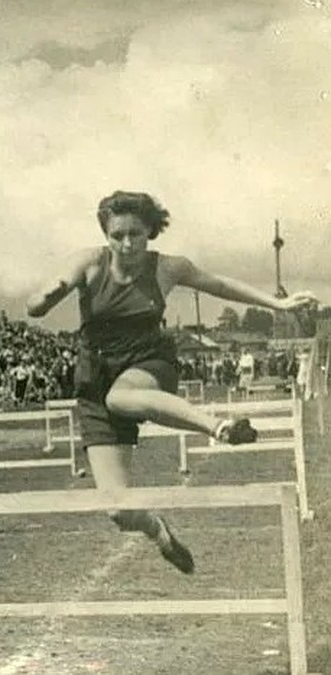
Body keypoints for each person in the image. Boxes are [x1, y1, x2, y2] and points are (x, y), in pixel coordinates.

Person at [25, 190, 316, 574]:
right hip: (94, 377)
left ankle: (220, 427)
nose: (127, 244)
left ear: (150, 232)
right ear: (106, 234)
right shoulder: (90, 262)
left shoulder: (167, 268)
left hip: (148, 362)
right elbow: (34, 304)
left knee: (123, 397)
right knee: (118, 509)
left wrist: (276, 303)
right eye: (118, 235)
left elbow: (220, 285)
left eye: (136, 234)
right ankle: (158, 532)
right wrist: (44, 299)